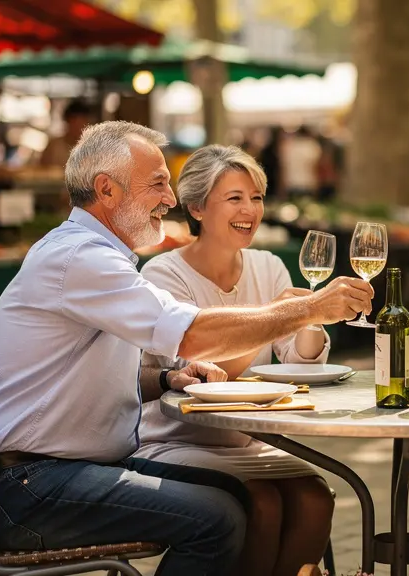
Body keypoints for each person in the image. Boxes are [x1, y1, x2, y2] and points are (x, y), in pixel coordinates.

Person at [0, 121, 373, 576]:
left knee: (240, 499)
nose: (171, 199)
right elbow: (191, 334)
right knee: (218, 518)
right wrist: (305, 310)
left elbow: (98, 372)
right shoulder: (81, 258)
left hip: (49, 473)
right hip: (26, 488)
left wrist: (165, 378)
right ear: (107, 190)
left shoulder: (95, 256)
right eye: (158, 183)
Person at [136, 144, 335, 575]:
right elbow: (202, 374)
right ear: (197, 208)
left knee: (315, 498)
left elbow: (298, 365)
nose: (250, 210)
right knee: (261, 502)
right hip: (176, 440)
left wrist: (311, 319)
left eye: (257, 197)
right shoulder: (163, 276)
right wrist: (283, 316)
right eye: (235, 198)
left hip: (250, 440)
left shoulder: (268, 266)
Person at [40, 99, 94, 168]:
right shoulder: (53, 147)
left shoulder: (93, 148)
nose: (78, 127)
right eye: (74, 122)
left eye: (81, 122)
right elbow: (42, 171)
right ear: (67, 122)